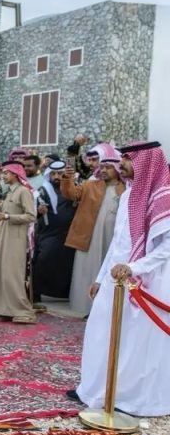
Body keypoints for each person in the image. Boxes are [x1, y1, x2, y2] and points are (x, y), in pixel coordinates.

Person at [74, 141, 170, 416]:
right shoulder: (128, 194)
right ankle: (96, 390)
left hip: (147, 281)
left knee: (136, 341)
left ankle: (131, 397)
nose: (122, 164)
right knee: (101, 332)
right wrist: (100, 277)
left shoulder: (162, 196)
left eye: (128, 159)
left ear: (145, 163)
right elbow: (117, 243)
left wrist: (135, 267)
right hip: (116, 278)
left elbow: (166, 247)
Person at [61, 144, 126, 316]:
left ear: (117, 168)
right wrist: (67, 178)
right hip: (89, 235)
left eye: (108, 167)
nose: (103, 170)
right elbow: (71, 194)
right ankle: (86, 307)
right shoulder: (90, 185)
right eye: (102, 167)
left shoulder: (125, 188)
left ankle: (108, 309)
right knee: (88, 269)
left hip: (113, 237)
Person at [0, 162, 38, 324]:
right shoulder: (9, 192)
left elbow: (31, 216)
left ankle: (24, 311)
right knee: (1, 273)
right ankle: (5, 311)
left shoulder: (23, 192)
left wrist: (8, 217)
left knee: (12, 275)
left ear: (15, 174)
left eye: (6, 173)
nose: (3, 176)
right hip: (3, 236)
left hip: (15, 239)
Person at [33, 161, 76, 302]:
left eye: (60, 173)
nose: (56, 177)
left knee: (66, 264)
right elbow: (34, 208)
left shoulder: (73, 188)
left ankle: (65, 294)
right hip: (49, 233)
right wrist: (39, 210)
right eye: (53, 174)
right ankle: (36, 293)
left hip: (69, 233)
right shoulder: (43, 190)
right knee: (44, 259)